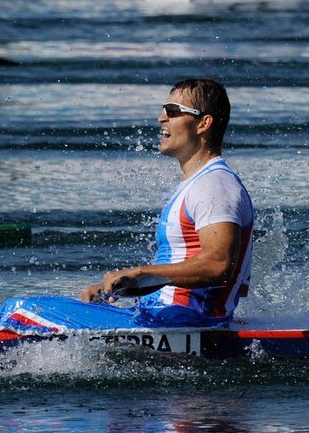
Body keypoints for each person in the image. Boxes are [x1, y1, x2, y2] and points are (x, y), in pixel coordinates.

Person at [78, 77, 254, 327]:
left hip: (184, 321)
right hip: (164, 316)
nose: (161, 118)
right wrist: (122, 288)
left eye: (172, 111)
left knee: (19, 312)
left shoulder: (214, 185)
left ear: (203, 123)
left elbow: (219, 264)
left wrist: (142, 273)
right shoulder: (198, 183)